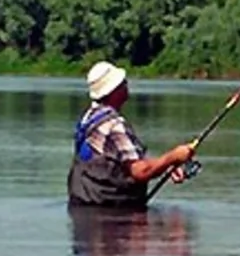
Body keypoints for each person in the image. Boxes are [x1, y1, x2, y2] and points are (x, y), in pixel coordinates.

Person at [67, 61, 196, 208]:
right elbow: (140, 171)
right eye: (122, 82)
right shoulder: (114, 125)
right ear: (114, 91)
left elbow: (121, 159)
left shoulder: (89, 117)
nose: (126, 84)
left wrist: (166, 167)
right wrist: (174, 156)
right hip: (111, 211)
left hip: (81, 207)